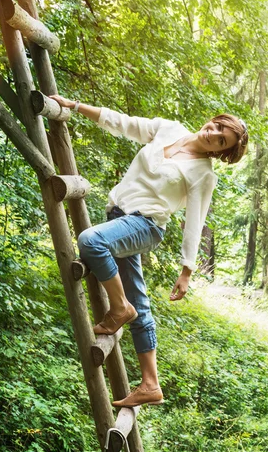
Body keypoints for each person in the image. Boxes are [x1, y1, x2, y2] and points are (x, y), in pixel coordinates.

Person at [50, 95, 248, 407]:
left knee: (90, 241)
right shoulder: (169, 129)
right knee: (140, 303)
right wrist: (75, 106)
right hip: (119, 217)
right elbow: (122, 123)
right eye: (217, 127)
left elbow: (194, 222)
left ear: (220, 152)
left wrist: (187, 270)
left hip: (146, 225)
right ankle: (150, 384)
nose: (213, 133)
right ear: (214, 120)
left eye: (220, 140)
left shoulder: (203, 175)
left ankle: (119, 309)